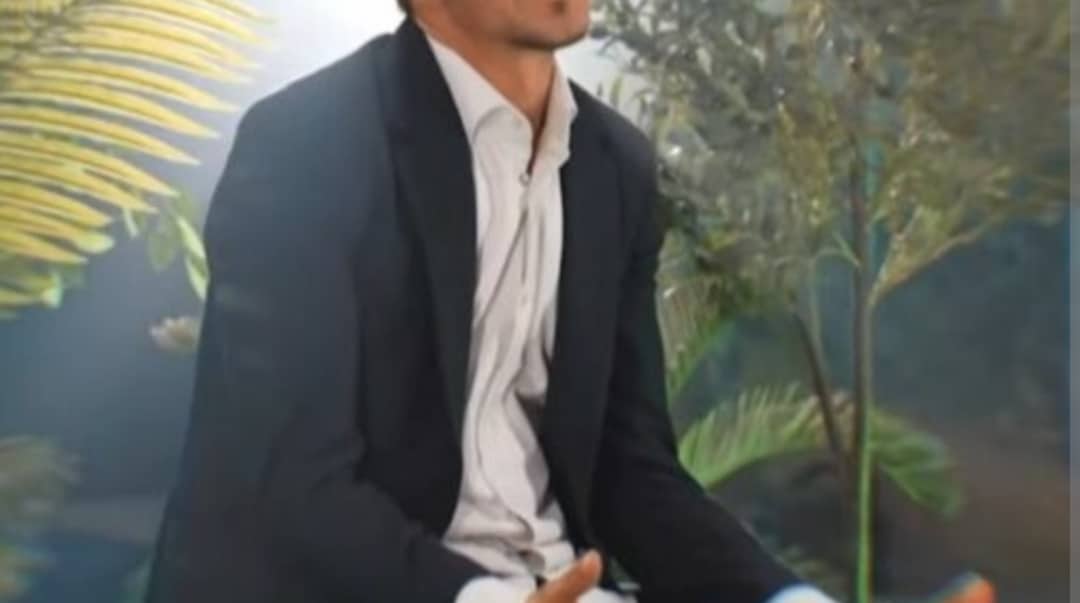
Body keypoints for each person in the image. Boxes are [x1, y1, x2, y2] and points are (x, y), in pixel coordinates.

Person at [145, 1, 840, 602]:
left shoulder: (615, 166)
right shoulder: (308, 141)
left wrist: (786, 595)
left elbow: (630, 469)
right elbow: (295, 480)